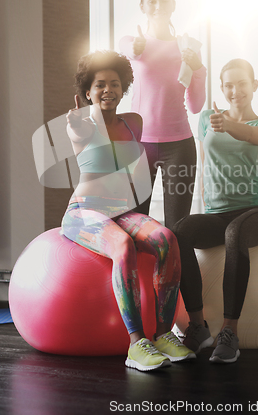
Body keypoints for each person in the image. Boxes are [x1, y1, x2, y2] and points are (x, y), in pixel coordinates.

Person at [61, 50, 195, 372]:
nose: (108, 90)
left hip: (120, 211)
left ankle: (163, 334)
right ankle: (136, 344)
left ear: (124, 88)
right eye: (100, 85)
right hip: (84, 212)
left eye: (115, 83)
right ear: (88, 91)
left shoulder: (134, 122)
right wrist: (83, 120)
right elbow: (80, 134)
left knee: (166, 237)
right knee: (122, 246)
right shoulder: (80, 122)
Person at [172, 58, 258, 363]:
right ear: (221, 88)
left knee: (235, 233)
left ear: (254, 85)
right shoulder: (206, 118)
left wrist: (230, 125)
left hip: (257, 210)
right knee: (179, 230)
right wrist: (203, 208)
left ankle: (229, 332)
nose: (235, 91)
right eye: (229, 85)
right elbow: (206, 166)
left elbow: (252, 137)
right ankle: (198, 327)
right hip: (217, 212)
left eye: (242, 83)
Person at [119, 0, 207, 229]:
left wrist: (198, 69)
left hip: (179, 147)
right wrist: (134, 48)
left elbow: (196, 106)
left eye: (164, 0)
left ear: (174, 5)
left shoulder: (187, 48)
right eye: (152, 0)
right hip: (138, 145)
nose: (158, 5)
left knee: (178, 227)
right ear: (142, 6)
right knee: (134, 225)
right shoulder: (133, 42)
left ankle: (176, 270)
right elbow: (126, 48)